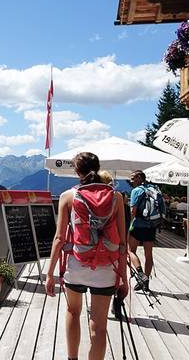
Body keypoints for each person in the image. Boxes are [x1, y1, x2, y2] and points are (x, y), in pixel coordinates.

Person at [46, 152, 128, 360]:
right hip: (107, 268)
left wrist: (49, 274)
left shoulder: (68, 196)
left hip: (77, 266)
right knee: (99, 326)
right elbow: (122, 242)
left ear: (76, 171)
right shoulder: (116, 197)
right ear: (99, 168)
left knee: (73, 312)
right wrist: (124, 278)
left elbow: (59, 238)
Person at [128, 170, 165, 292]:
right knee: (148, 255)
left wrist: (127, 226)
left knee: (130, 251)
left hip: (138, 225)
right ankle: (146, 281)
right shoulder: (155, 189)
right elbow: (163, 209)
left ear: (139, 178)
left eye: (133, 178)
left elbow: (133, 212)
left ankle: (140, 274)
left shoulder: (136, 191)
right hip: (152, 226)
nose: (131, 181)